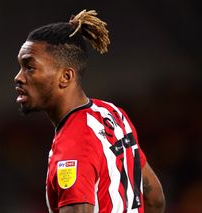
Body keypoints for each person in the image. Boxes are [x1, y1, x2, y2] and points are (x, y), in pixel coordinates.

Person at [14, 9, 165, 213]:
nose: (19, 77)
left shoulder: (73, 147)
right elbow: (155, 199)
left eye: (30, 67)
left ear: (66, 77)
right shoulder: (112, 113)